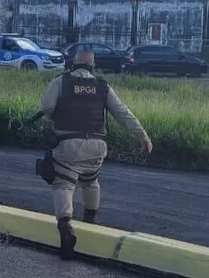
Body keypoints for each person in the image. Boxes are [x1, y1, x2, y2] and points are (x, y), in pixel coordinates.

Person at [38, 49, 152, 261]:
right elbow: (123, 113)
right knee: (90, 182)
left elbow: (47, 107)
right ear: (93, 65)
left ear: (73, 63)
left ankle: (65, 229)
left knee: (64, 184)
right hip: (97, 147)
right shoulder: (102, 86)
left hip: (68, 145)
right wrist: (142, 135)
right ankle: (90, 221)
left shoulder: (60, 81)